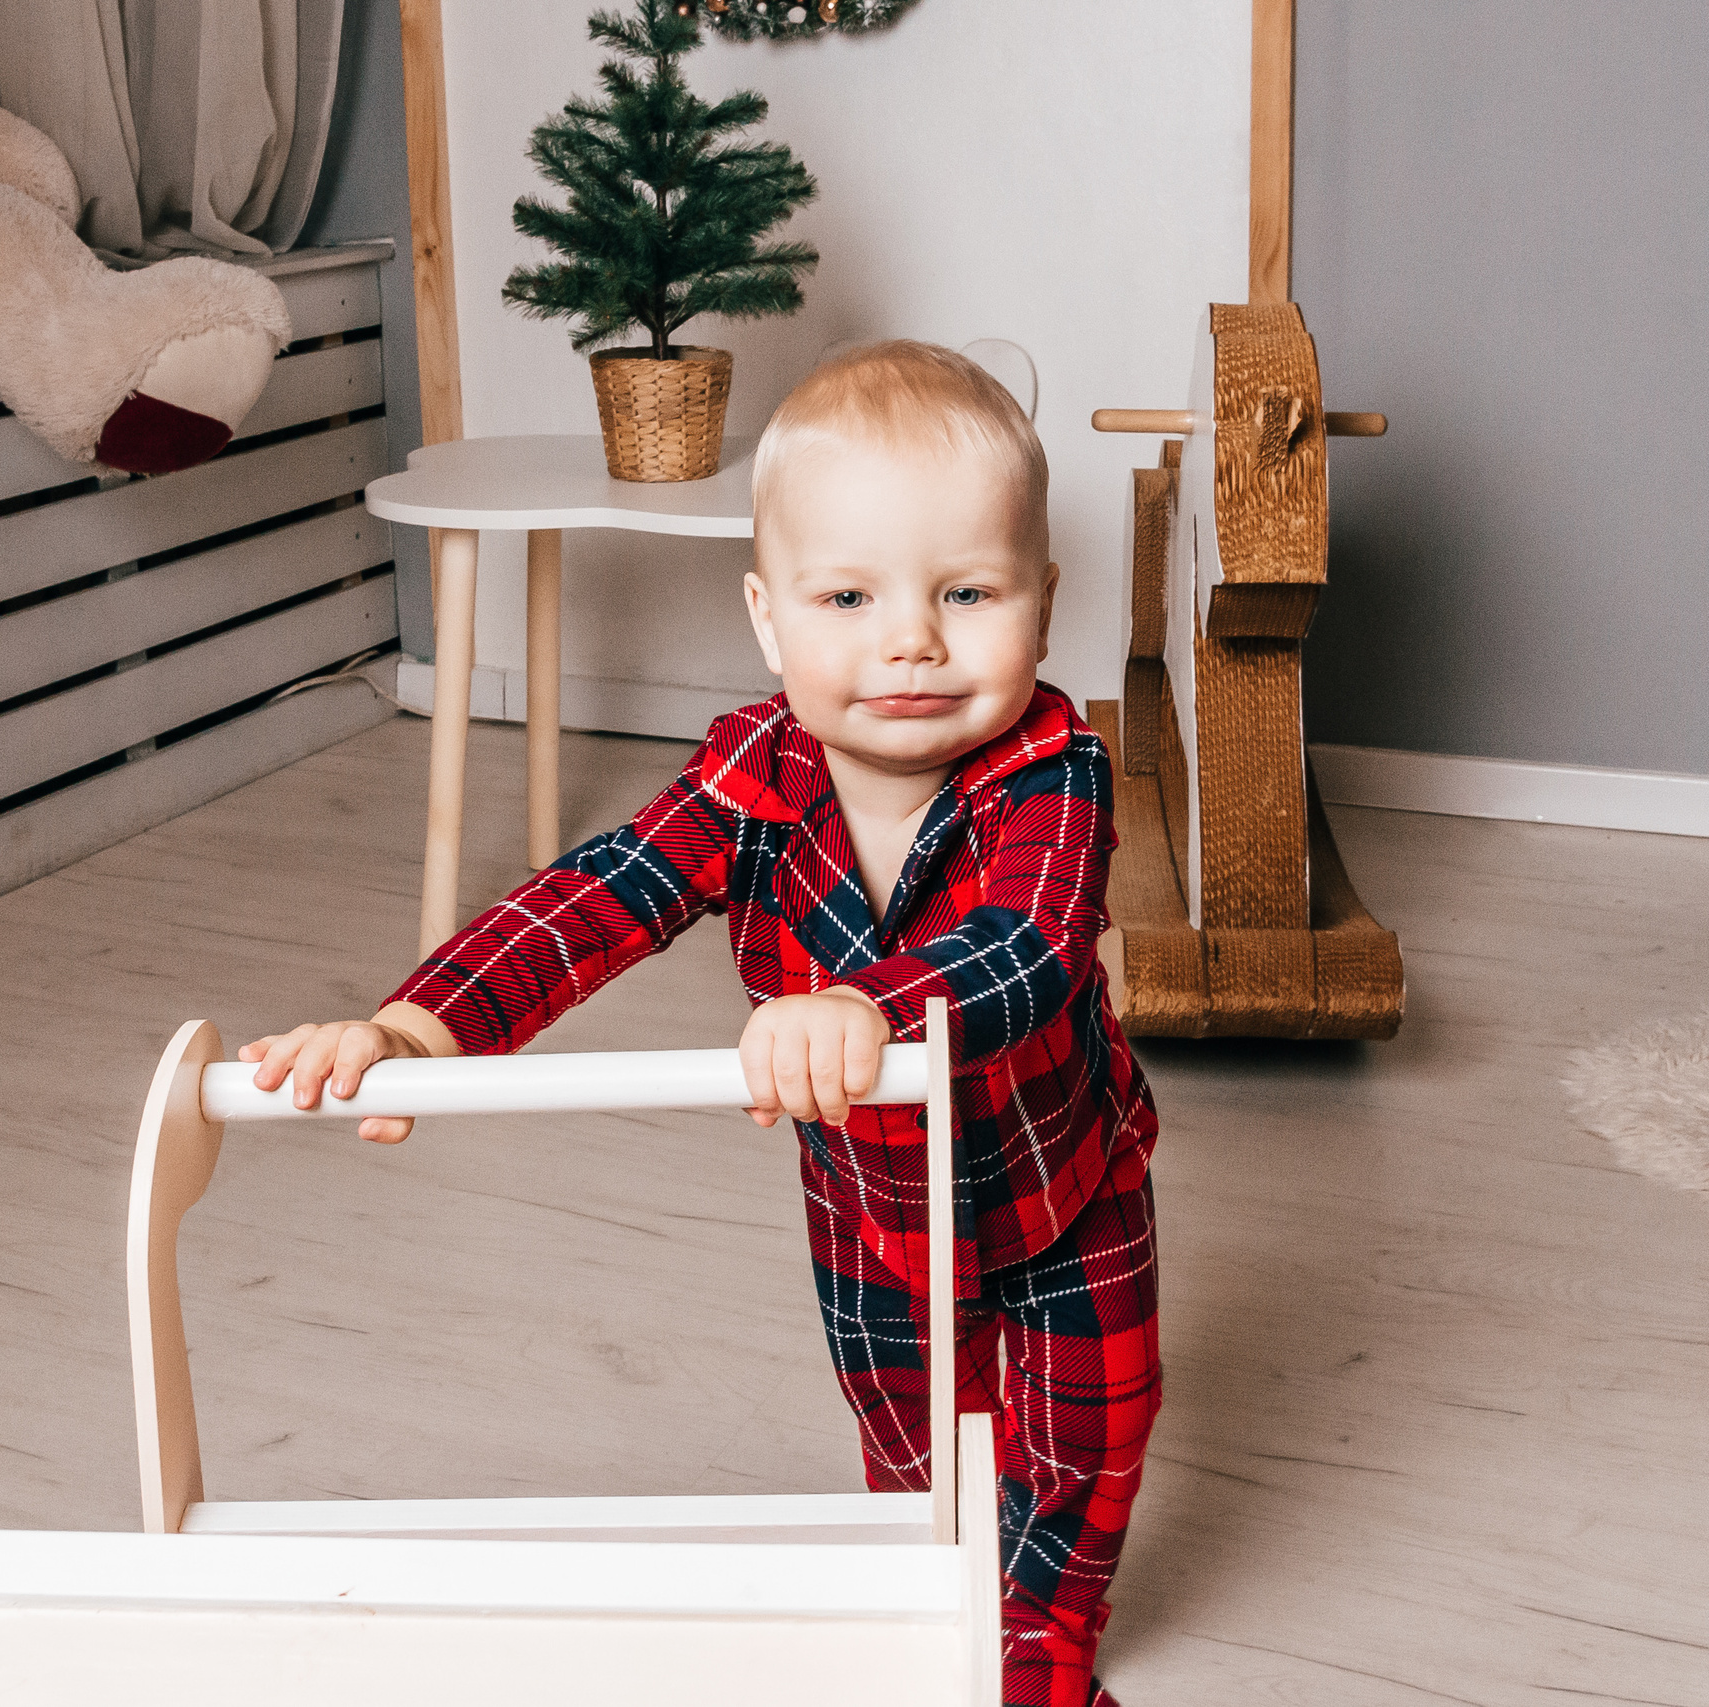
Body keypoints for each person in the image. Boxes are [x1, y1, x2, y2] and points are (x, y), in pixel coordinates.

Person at [244, 341, 1160, 1707]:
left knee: (1074, 1472)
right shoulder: (751, 777)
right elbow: (599, 897)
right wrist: (424, 1025)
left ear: (1044, 602)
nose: (911, 638)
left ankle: (1043, 1651)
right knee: (919, 1484)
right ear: (768, 616)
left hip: (1064, 1204)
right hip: (877, 1228)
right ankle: (944, 1613)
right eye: (847, 596)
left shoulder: (1055, 767)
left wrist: (867, 1003)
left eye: (968, 592)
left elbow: (1023, 944)